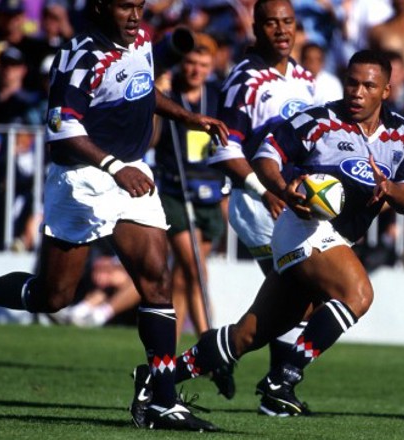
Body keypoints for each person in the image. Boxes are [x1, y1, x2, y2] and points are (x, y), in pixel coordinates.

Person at [0, 0, 229, 432]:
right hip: (83, 179)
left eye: (140, 6)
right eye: (126, 6)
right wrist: (113, 167)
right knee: (53, 297)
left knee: (156, 280)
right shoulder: (79, 55)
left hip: (130, 174)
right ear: (102, 6)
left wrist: (188, 116)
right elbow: (62, 128)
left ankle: (162, 399)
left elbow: (142, 88)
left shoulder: (138, 37)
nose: (134, 15)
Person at [170, 49, 404, 416]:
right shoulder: (318, 120)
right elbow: (266, 155)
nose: (357, 92)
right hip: (304, 228)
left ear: (385, 90)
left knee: (247, 335)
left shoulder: (402, 133)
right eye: (352, 82)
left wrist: (390, 189)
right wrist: (281, 187)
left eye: (368, 85)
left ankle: (158, 381)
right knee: (359, 293)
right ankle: (284, 379)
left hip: (337, 239)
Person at [143, 0, 318, 416]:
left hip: (293, 203)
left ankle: (190, 371)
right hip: (260, 203)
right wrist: (264, 190)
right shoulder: (246, 79)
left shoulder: (307, 79)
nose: (281, 30)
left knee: (294, 300)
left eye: (287, 22)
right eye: (271, 23)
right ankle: (271, 386)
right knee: (295, 296)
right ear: (255, 28)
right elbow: (225, 149)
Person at [153, 33, 225, 341]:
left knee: (184, 277)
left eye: (203, 65)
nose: (196, 70)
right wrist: (158, 98)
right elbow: (153, 140)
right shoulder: (169, 94)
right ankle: (209, 345)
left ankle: (173, 351)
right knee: (195, 267)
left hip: (209, 193)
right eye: (191, 63)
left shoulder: (217, 96)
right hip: (175, 192)